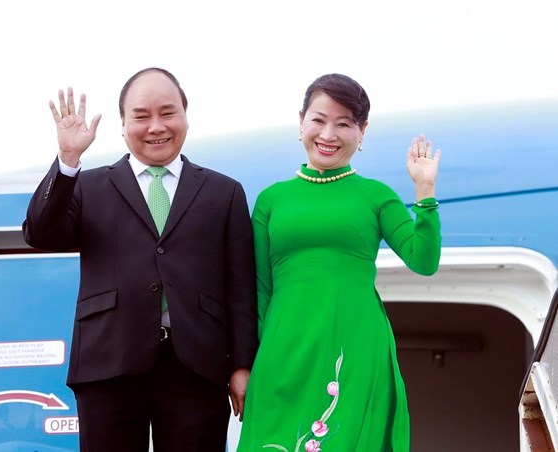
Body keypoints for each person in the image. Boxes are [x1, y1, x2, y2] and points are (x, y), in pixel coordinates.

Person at [22, 67, 258, 452]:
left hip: (197, 366)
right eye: (141, 115)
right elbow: (40, 234)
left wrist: (242, 364)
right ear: (122, 124)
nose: (156, 126)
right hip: (108, 363)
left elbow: (240, 289)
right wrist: (67, 159)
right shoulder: (88, 186)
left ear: (185, 116)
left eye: (167, 112)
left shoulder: (224, 192)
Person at [236, 73, 442, 452]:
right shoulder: (271, 200)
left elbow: (424, 260)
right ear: (301, 122)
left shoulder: (376, 196)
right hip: (282, 350)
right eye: (318, 120)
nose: (328, 134)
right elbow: (259, 291)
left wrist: (424, 191)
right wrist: (248, 364)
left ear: (362, 131)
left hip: (353, 347)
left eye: (344, 124)